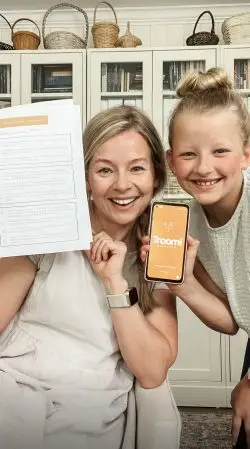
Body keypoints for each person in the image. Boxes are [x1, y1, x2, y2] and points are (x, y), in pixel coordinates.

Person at [0, 105, 181, 449]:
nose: (123, 185)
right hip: (14, 392)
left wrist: (115, 282)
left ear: (156, 176)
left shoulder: (159, 250)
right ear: (84, 177)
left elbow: (153, 371)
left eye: (137, 168)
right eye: (104, 170)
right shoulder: (47, 230)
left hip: (92, 410)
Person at [141, 67, 250, 448]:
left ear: (245, 155)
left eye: (220, 151)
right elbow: (231, 321)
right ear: (171, 162)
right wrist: (182, 284)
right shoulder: (187, 221)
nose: (203, 167)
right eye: (189, 154)